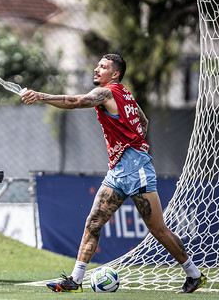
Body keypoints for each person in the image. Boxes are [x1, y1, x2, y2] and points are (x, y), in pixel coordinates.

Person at [20, 54, 207, 294]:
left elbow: (77, 101)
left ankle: (193, 274)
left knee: (158, 229)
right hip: (119, 169)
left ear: (115, 74)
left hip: (137, 168)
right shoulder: (125, 94)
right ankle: (75, 280)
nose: (96, 69)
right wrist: (131, 138)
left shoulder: (107, 93)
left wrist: (40, 96)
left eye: (103, 67)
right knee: (93, 222)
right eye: (97, 65)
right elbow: (143, 120)